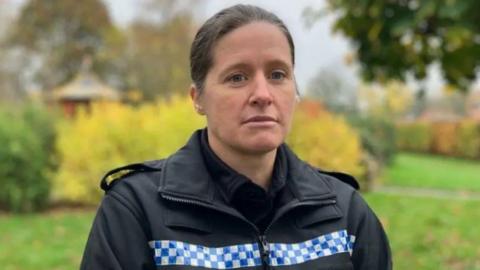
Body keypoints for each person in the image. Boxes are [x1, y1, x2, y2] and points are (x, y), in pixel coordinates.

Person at [81, 4, 392, 270]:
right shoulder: (136, 211)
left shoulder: (345, 213)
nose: (262, 94)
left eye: (278, 75)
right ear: (198, 98)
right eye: (237, 77)